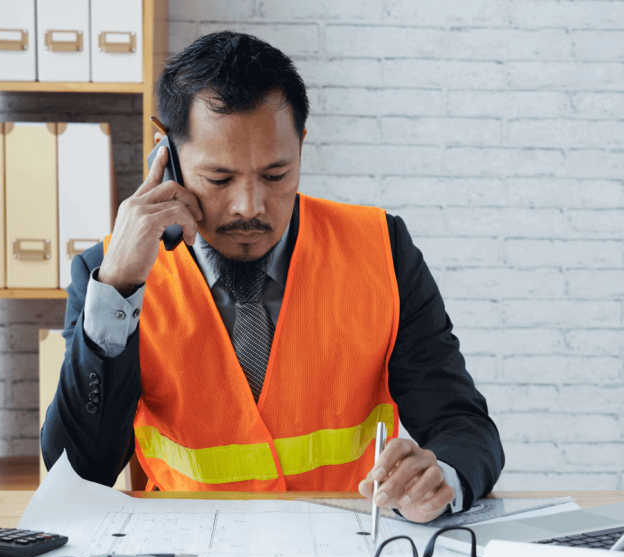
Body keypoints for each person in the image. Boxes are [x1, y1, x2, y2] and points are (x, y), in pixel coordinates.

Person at [41, 31, 504, 523]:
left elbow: (463, 424)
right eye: (219, 179)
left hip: (347, 554)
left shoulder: (382, 250)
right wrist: (118, 289)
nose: (250, 207)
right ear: (169, 158)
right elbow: (77, 474)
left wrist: (443, 476)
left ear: (301, 146)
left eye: (276, 175)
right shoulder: (107, 274)